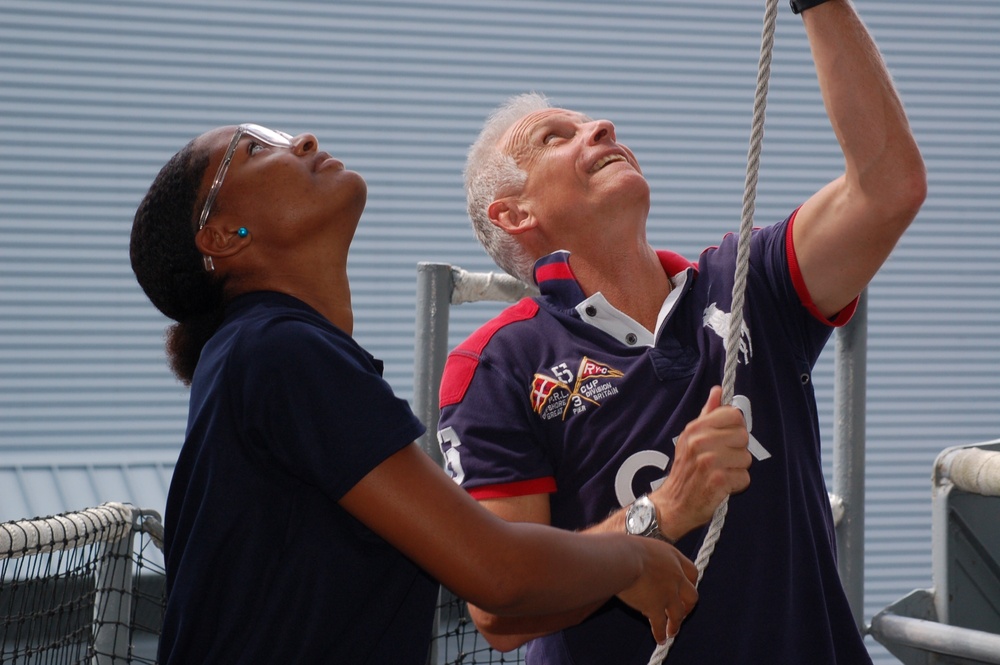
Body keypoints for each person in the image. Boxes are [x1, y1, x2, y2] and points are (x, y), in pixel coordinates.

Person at [437, 1, 926, 663]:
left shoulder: (748, 279)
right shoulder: (499, 362)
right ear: (514, 212)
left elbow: (887, 188)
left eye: (594, 124)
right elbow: (500, 609)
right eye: (555, 136)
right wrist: (663, 509)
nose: (603, 126)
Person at [129, 123, 703, 664]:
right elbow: (496, 573)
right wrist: (635, 551)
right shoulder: (275, 351)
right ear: (224, 236)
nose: (301, 140)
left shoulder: (264, 352)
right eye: (254, 148)